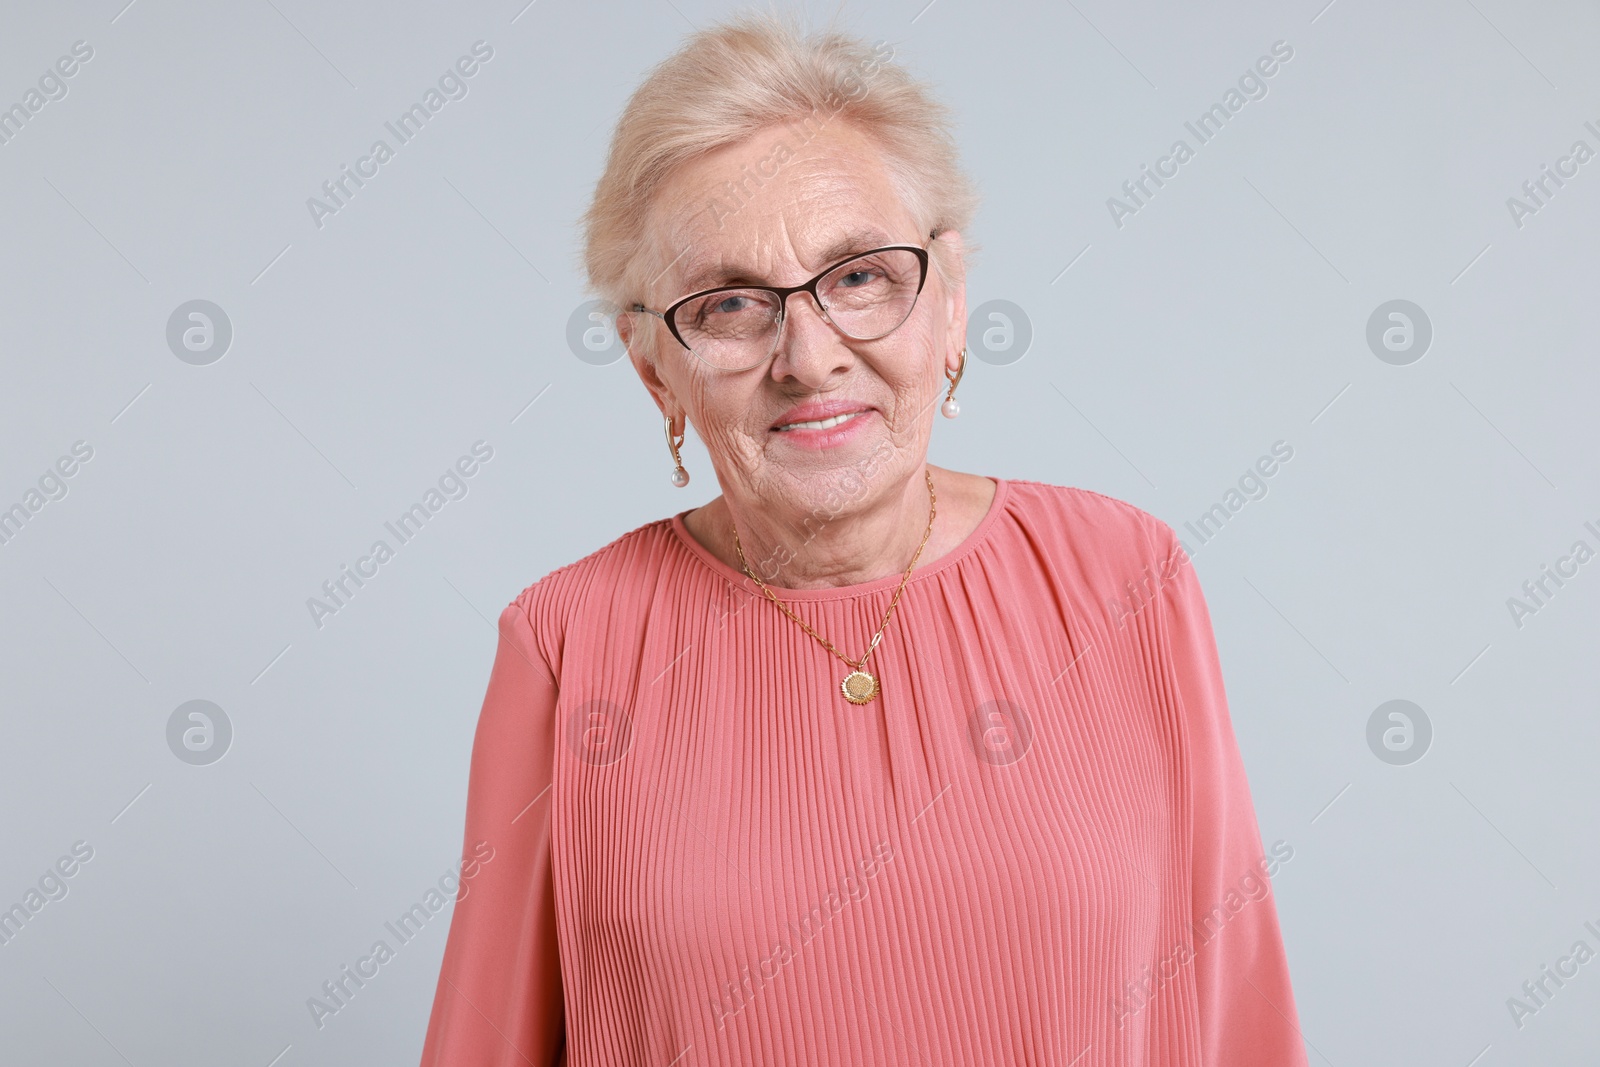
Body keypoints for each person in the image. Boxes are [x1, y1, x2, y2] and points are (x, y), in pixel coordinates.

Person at [419, 13, 1307, 1066]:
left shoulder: (1123, 576)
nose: (809, 356)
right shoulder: (569, 642)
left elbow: (1237, 1016)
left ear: (950, 300)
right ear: (654, 366)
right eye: (730, 304)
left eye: (858, 278)